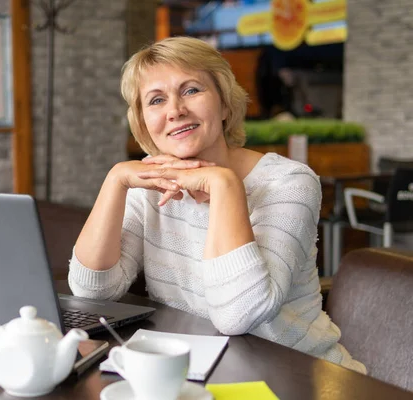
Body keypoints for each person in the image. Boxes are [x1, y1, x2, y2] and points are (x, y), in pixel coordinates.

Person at [68, 36, 366, 374]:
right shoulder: (150, 182)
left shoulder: (288, 182)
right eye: (156, 100)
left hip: (299, 374)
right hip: (201, 369)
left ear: (225, 104)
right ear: (143, 121)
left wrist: (225, 186)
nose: (175, 110)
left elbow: (239, 314)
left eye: (192, 90)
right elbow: (94, 290)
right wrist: (116, 180)